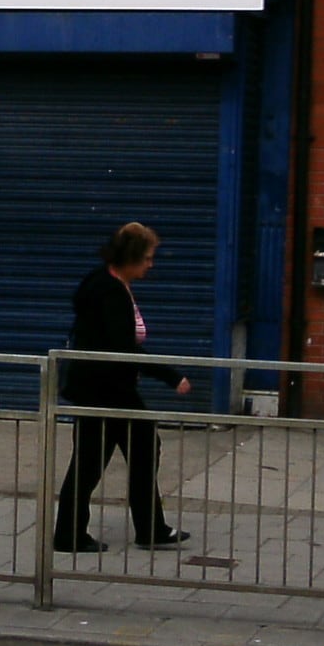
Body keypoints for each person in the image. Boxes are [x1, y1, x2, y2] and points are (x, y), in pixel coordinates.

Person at [52, 221, 192, 552]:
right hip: (107, 390)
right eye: (146, 258)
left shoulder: (106, 282)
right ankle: (78, 534)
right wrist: (171, 376)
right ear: (129, 258)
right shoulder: (110, 291)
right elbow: (122, 348)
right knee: (96, 461)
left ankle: (147, 528)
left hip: (103, 387)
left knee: (131, 452)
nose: (151, 264)